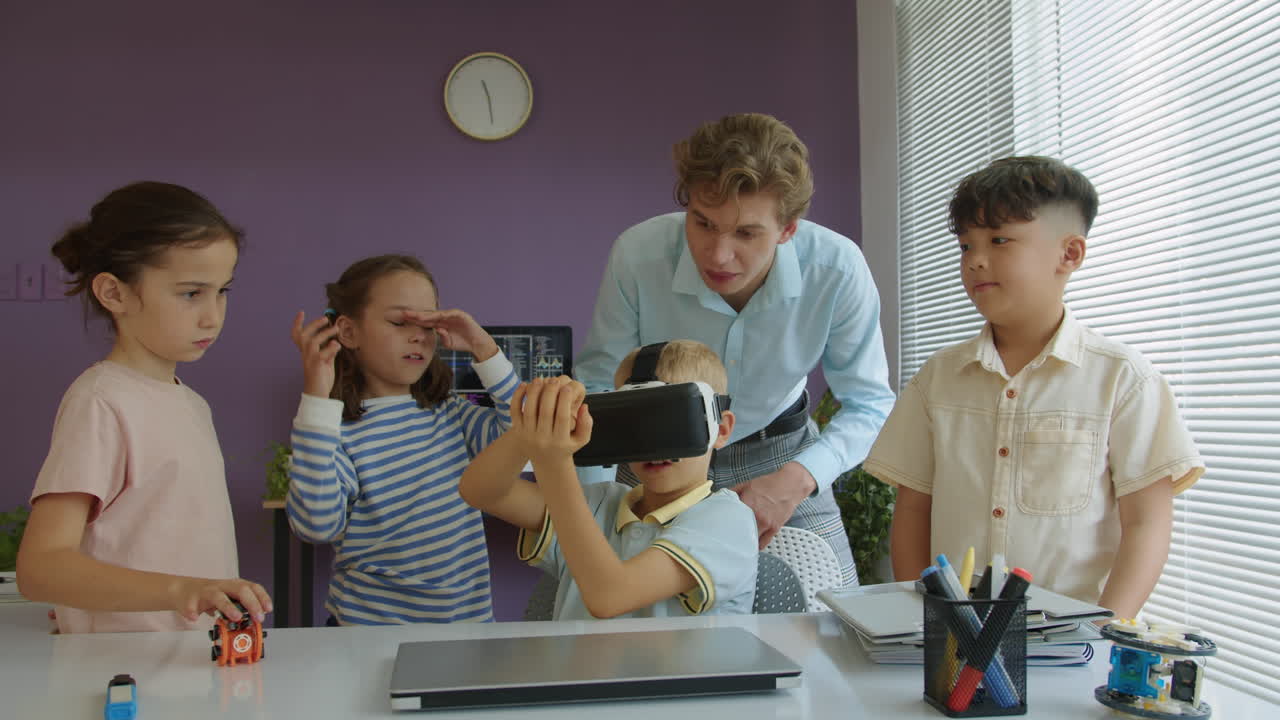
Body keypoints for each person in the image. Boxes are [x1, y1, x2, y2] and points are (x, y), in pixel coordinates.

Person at [863, 156, 1204, 618]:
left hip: (1073, 641)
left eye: (999, 240)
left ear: (1070, 254)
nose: (976, 260)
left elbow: (1146, 522)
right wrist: (921, 619)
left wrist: (1106, 630)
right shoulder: (937, 379)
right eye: (966, 245)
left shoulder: (1123, 380)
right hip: (954, 637)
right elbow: (913, 512)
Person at [575, 112, 895, 587]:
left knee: (830, 625)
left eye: (746, 233)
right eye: (703, 223)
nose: (718, 254)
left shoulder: (838, 269)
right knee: (621, 623)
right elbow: (599, 386)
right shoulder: (637, 255)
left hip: (781, 456)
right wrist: (593, 508)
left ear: (788, 229)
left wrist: (798, 480)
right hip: (651, 457)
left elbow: (870, 403)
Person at [16, 181, 272, 633]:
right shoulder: (100, 402)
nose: (213, 315)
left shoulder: (191, 404)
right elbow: (41, 568)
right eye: (192, 293)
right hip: (126, 681)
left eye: (222, 291)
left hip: (193, 671)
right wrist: (179, 591)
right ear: (114, 294)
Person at [286, 254, 518, 624]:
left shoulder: (451, 415)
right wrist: (316, 398)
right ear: (348, 332)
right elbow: (315, 525)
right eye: (399, 322)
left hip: (465, 634)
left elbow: (524, 442)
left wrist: (483, 348)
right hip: (365, 634)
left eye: (429, 325)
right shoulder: (333, 434)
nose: (418, 336)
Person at [460, 340, 757, 620]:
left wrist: (553, 462)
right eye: (634, 423)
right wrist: (540, 421)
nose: (652, 440)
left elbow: (610, 597)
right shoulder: (599, 502)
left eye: (671, 422)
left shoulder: (727, 521)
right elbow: (482, 492)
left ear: (721, 429)